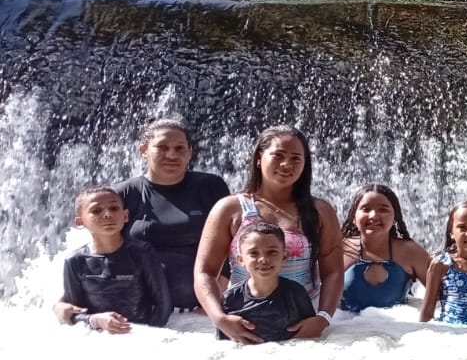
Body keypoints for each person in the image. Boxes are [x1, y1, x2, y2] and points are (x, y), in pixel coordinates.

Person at [195, 126, 342, 345]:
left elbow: (334, 272)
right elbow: (204, 272)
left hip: (303, 319)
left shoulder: (319, 211)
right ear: (258, 158)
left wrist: (323, 318)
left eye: (296, 158)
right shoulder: (230, 209)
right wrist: (220, 318)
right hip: (242, 320)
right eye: (278, 155)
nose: (287, 164)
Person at [114, 118, 229, 311]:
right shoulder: (123, 193)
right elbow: (102, 248)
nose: (171, 155)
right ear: (143, 150)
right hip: (139, 308)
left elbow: (232, 241)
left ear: (190, 152)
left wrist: (217, 293)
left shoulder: (210, 187)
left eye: (179, 148)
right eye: (162, 147)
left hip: (199, 309)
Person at [53, 186, 171, 332]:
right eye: (96, 211)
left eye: (114, 208)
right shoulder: (74, 261)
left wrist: (148, 332)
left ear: (125, 215)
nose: (108, 214)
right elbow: (73, 313)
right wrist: (94, 321)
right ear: (80, 222)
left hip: (141, 332)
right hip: (98, 334)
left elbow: (163, 305)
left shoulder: (142, 252)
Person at [217, 221, 317, 343]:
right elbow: (223, 344)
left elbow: (311, 334)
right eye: (254, 253)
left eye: (272, 252)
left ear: (284, 256)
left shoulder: (296, 293)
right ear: (241, 260)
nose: (263, 260)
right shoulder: (230, 298)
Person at [340, 185, 432, 312]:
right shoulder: (341, 250)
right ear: (354, 218)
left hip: (399, 324)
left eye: (383, 210)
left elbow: (445, 296)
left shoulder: (410, 252)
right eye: (365, 209)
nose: (373, 216)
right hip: (343, 323)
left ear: (395, 218)